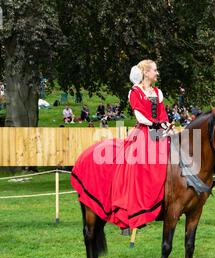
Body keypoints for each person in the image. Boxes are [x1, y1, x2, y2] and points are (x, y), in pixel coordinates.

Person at [71, 59, 173, 230]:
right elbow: (140, 116)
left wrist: (165, 126)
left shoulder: (158, 92)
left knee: (176, 156)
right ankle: (136, 206)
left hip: (158, 131)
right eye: (155, 70)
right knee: (139, 161)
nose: (157, 73)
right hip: (143, 131)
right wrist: (155, 125)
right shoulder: (135, 92)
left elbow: (162, 115)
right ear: (146, 73)